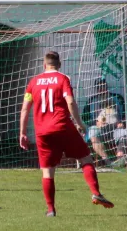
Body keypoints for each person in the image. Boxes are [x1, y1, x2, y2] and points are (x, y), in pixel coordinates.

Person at [20, 51, 114, 217]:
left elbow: (25, 108)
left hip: (42, 132)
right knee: (85, 158)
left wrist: (22, 133)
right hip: (62, 126)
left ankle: (50, 209)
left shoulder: (33, 82)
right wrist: (79, 123)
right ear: (59, 64)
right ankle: (96, 192)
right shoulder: (63, 78)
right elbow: (70, 101)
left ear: (44, 65)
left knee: (47, 171)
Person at [82, 77, 126, 165]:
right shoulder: (91, 101)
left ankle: (120, 159)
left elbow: (125, 114)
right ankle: (107, 161)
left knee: (124, 133)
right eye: (99, 87)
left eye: (103, 86)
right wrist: (95, 122)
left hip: (115, 127)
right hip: (100, 128)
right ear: (96, 89)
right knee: (93, 133)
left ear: (106, 87)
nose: (101, 89)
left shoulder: (118, 98)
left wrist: (122, 122)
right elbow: (85, 118)